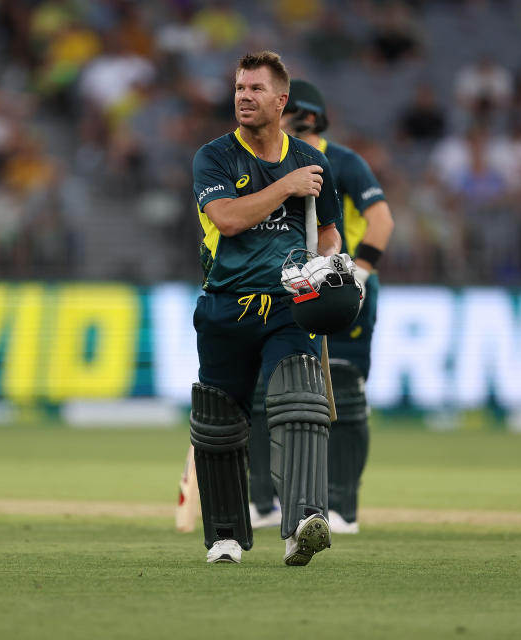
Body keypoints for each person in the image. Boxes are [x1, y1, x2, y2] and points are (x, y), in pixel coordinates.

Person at [190, 51, 354, 566]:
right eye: (239, 88)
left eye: (255, 89)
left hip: (289, 305)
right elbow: (228, 219)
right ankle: (225, 536)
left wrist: (328, 267)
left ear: (281, 100)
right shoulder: (213, 157)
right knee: (219, 423)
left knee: (302, 402)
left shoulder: (314, 160)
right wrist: (285, 186)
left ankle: (305, 521)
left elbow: (329, 235)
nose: (243, 96)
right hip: (226, 303)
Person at [249, 79, 394, 535]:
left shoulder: (344, 162)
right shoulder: (264, 163)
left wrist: (360, 275)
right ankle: (263, 501)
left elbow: (382, 221)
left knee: (344, 395)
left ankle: (342, 508)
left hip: (339, 296)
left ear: (305, 117)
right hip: (282, 294)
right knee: (262, 393)